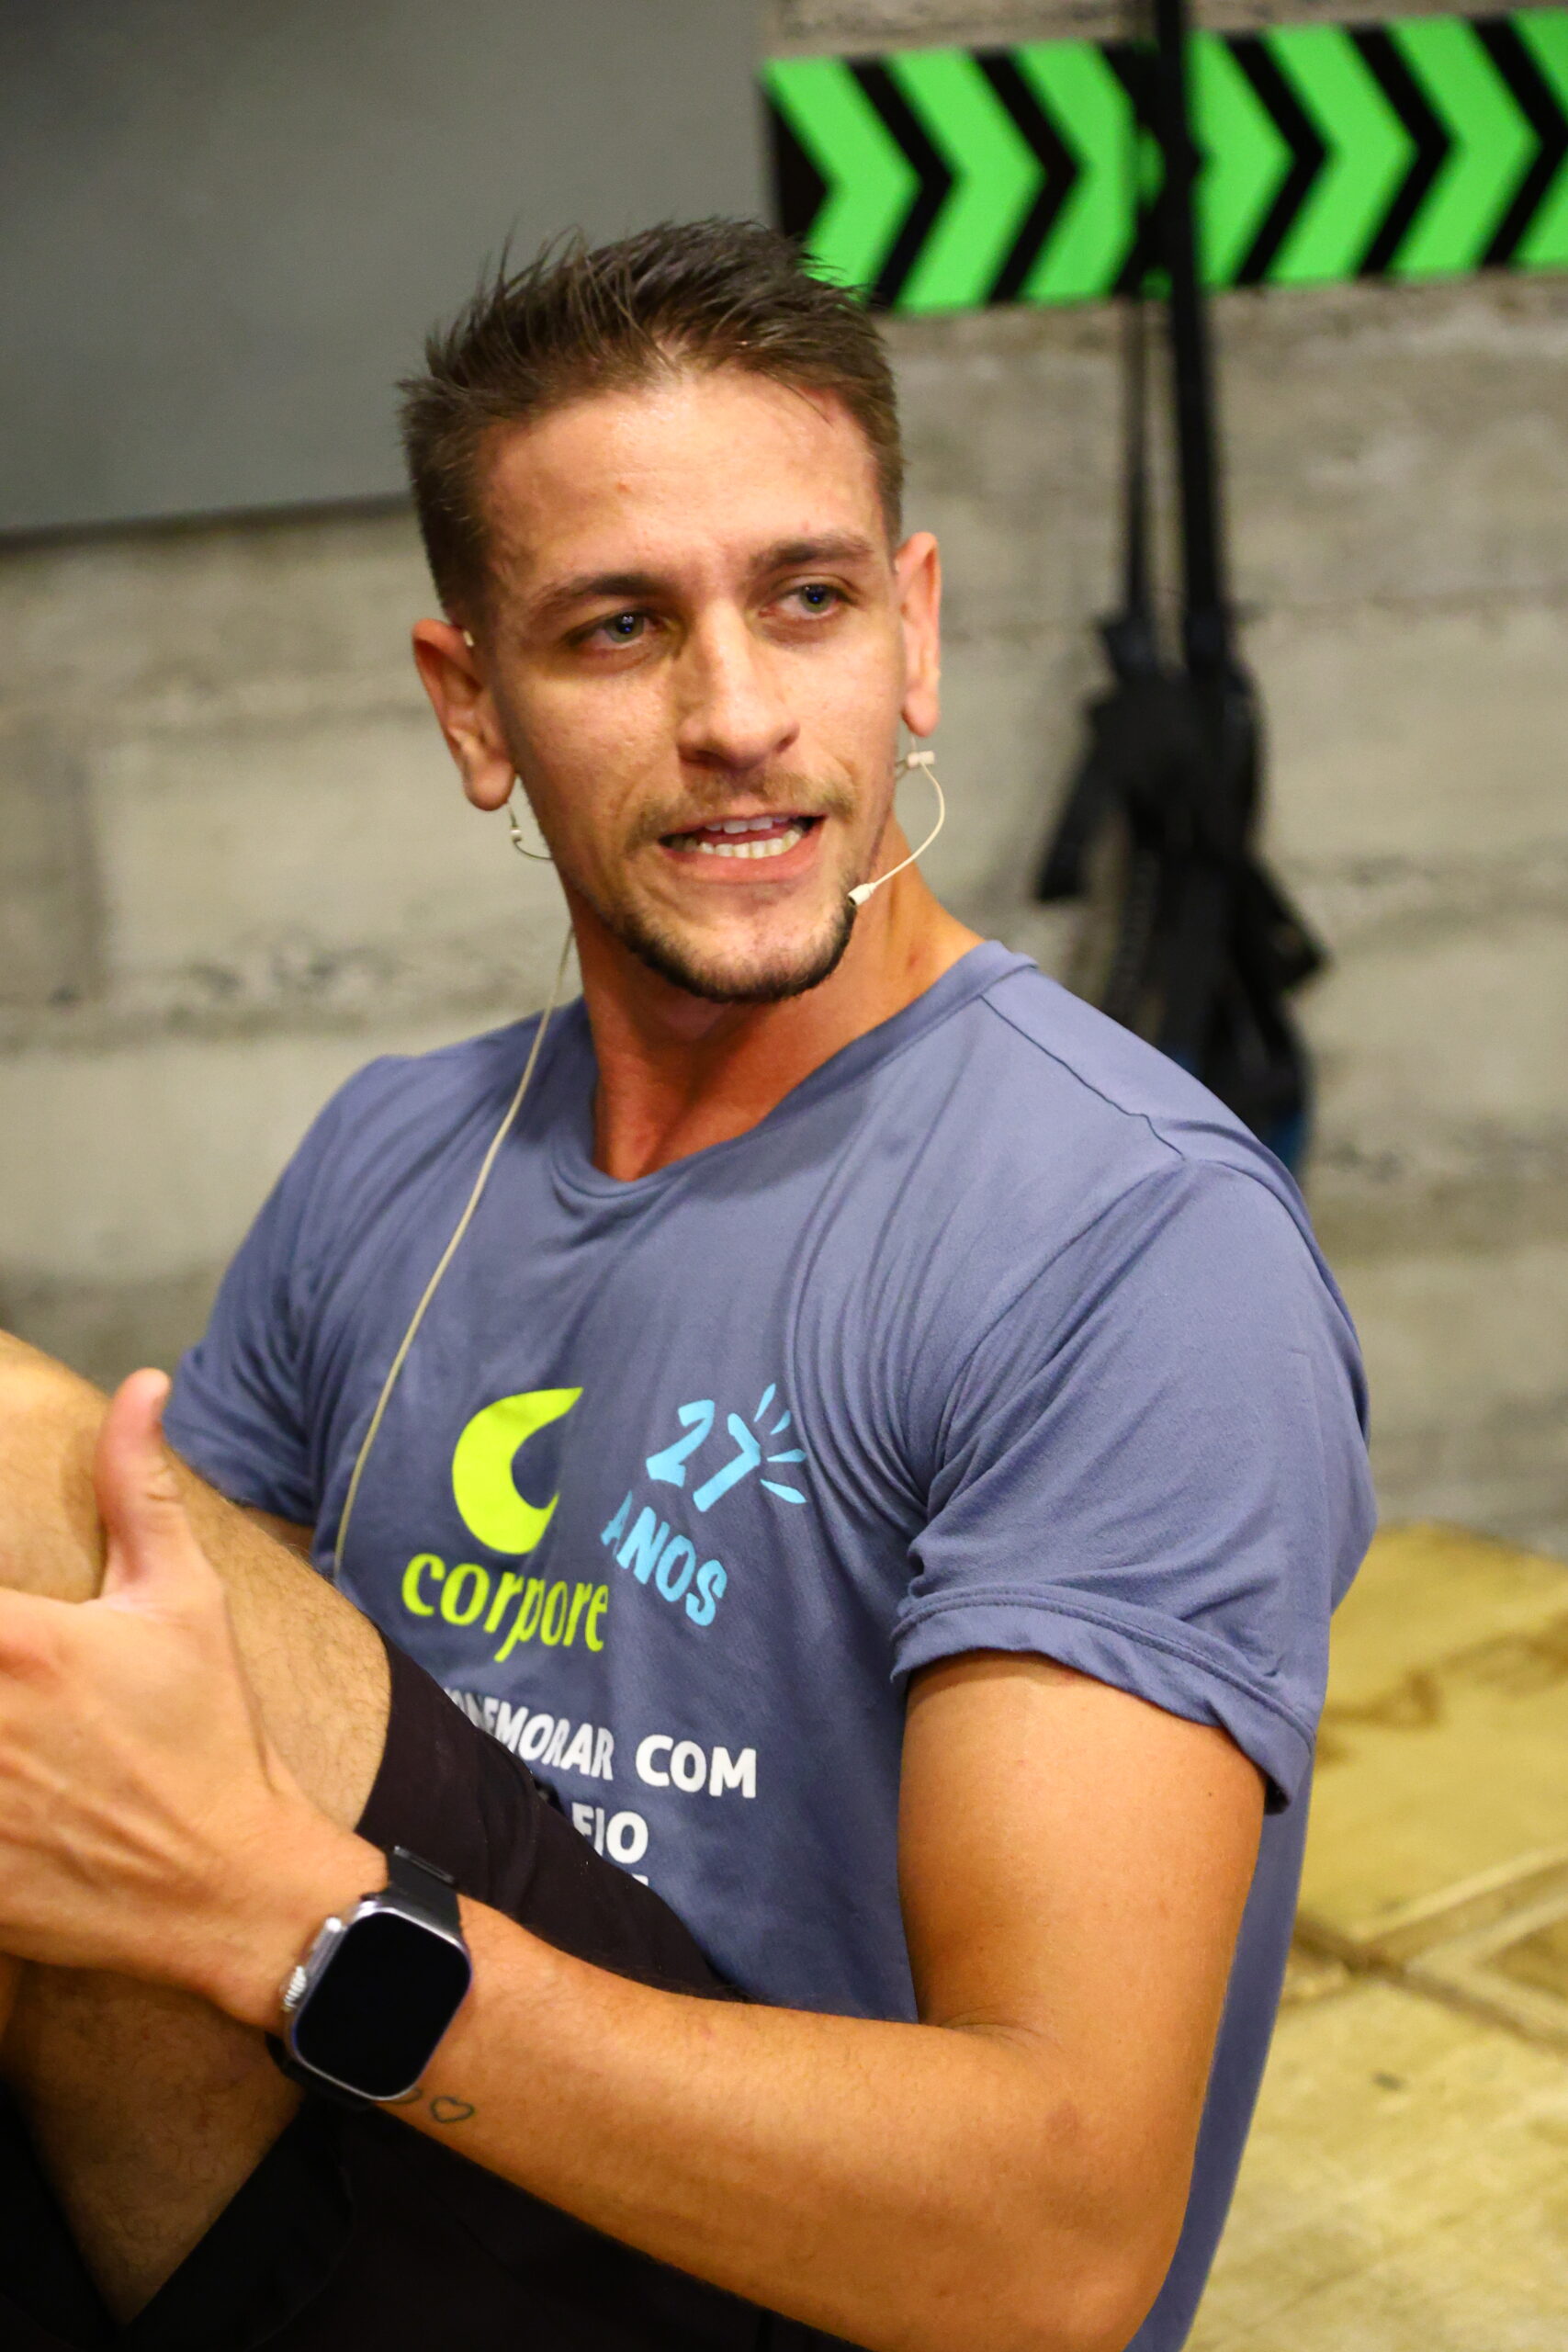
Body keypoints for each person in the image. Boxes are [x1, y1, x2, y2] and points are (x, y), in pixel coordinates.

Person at [0, 221, 1372, 2352]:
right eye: (618, 627)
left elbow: (1052, 2241)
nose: (735, 717)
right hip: (386, 2155)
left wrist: (276, 1915)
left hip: (771, 2275)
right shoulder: (392, 1154)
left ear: (912, 634)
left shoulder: (1126, 1238)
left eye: (806, 599)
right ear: (471, 701)